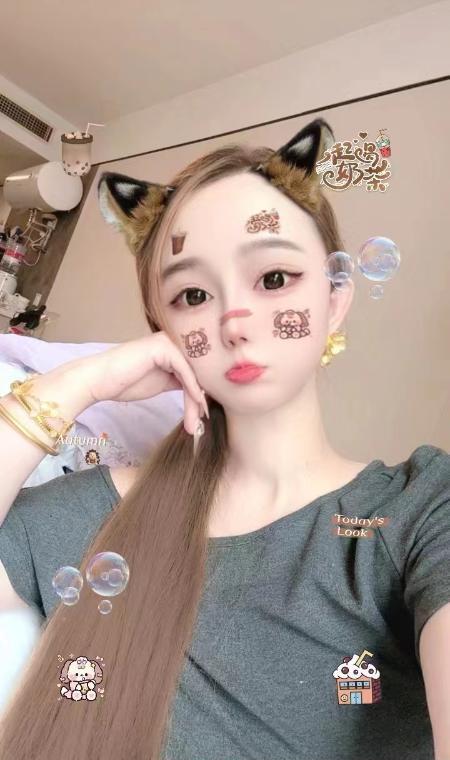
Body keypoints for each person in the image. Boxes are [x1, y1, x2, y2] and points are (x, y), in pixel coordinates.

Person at [0, 117, 449, 760]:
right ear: (160, 330)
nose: (234, 322)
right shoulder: (92, 515)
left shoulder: (420, 509)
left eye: (274, 279)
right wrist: (79, 384)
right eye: (192, 294)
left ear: (335, 300)